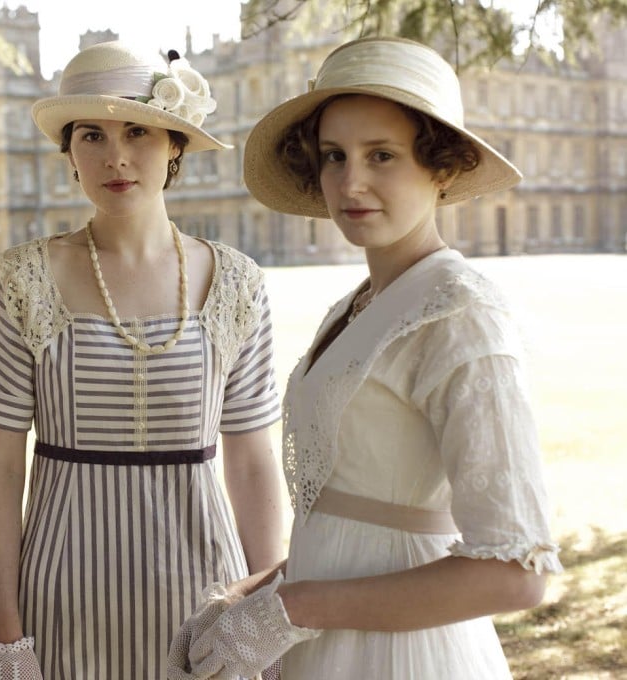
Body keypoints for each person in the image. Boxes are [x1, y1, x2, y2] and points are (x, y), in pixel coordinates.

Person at [168, 36, 563, 679]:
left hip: (405, 657)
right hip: (327, 645)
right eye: (334, 156)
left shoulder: (458, 313)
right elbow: (361, 519)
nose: (351, 182)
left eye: (383, 155)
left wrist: (288, 610)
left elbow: (514, 576)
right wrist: (254, 594)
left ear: (441, 166)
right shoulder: (358, 305)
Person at [0, 40, 286, 679]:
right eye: (92, 135)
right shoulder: (23, 282)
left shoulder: (237, 283)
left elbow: (251, 461)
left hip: (205, 596)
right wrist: (4, 633)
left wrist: (263, 610)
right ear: (69, 155)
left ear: (174, 145)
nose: (117, 156)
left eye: (138, 129)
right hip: (61, 599)